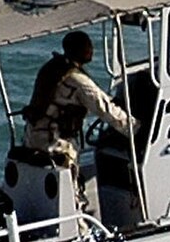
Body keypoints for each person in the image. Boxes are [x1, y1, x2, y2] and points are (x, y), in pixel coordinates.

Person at [22, 30, 135, 161]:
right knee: (71, 160)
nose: (91, 49)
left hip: (33, 136)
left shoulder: (53, 68)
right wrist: (135, 128)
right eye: (87, 46)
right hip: (52, 142)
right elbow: (104, 108)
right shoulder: (77, 81)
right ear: (77, 50)